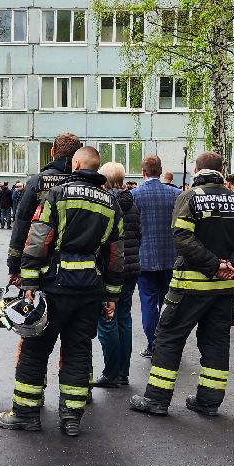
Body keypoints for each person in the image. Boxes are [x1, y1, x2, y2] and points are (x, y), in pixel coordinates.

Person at [0, 146, 124, 437]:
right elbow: (116, 255)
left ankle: (26, 414)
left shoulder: (57, 195)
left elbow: (37, 239)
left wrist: (29, 283)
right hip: (90, 289)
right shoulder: (111, 202)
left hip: (55, 285)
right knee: (78, 351)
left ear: (76, 164)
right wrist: (112, 295)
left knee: (36, 349)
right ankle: (71, 418)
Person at [130, 151, 234, 419]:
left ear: (196, 170)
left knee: (168, 337)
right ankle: (209, 401)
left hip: (190, 287)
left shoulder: (190, 197)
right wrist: (231, 265)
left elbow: (182, 237)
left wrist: (214, 265)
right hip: (225, 289)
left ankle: (156, 399)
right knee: (216, 341)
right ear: (221, 171)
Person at [7, 132, 82, 285]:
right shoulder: (86, 184)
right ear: (78, 157)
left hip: (43, 263)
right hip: (84, 268)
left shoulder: (37, 182)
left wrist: (14, 266)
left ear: (53, 152)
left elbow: (22, 223)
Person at [94, 161, 141, 389]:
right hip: (131, 268)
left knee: (107, 319)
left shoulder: (105, 202)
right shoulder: (131, 202)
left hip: (111, 269)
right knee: (124, 317)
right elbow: (138, 235)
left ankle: (110, 372)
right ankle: (123, 372)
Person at [132, 154, 182, 357]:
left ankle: (152, 344)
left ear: (143, 172)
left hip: (144, 259)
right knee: (169, 303)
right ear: (161, 171)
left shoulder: (135, 195)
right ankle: (167, 343)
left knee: (148, 303)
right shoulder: (175, 194)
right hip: (170, 257)